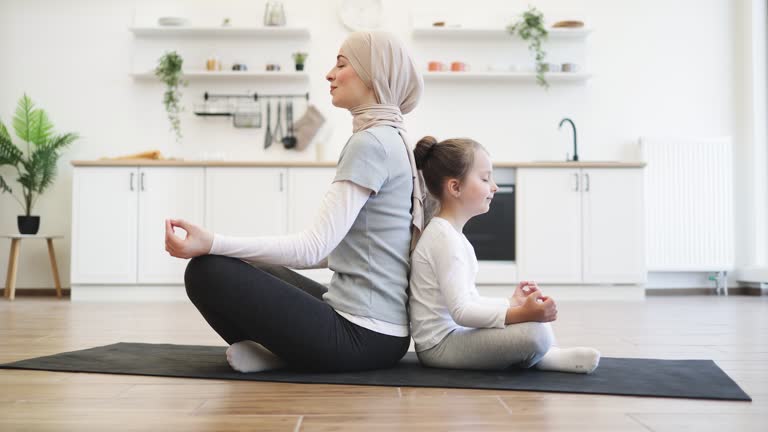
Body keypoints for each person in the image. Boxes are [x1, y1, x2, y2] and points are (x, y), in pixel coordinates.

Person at [163, 31, 427, 373]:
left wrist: (211, 242)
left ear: (373, 75)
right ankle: (277, 354)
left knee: (207, 270)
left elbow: (313, 248)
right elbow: (347, 251)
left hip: (361, 336)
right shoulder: (392, 138)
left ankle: (281, 354)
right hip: (382, 336)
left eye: (341, 64)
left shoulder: (371, 144)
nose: (329, 74)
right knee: (249, 264)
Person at [408, 136, 601, 373]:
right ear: (455, 187)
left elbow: (470, 300)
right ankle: (543, 356)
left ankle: (545, 355)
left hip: (455, 335)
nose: (494, 186)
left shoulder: (454, 237)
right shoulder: (443, 239)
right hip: (439, 346)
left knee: (533, 322)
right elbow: (462, 312)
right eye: (485, 178)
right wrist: (519, 313)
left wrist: (512, 303)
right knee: (533, 331)